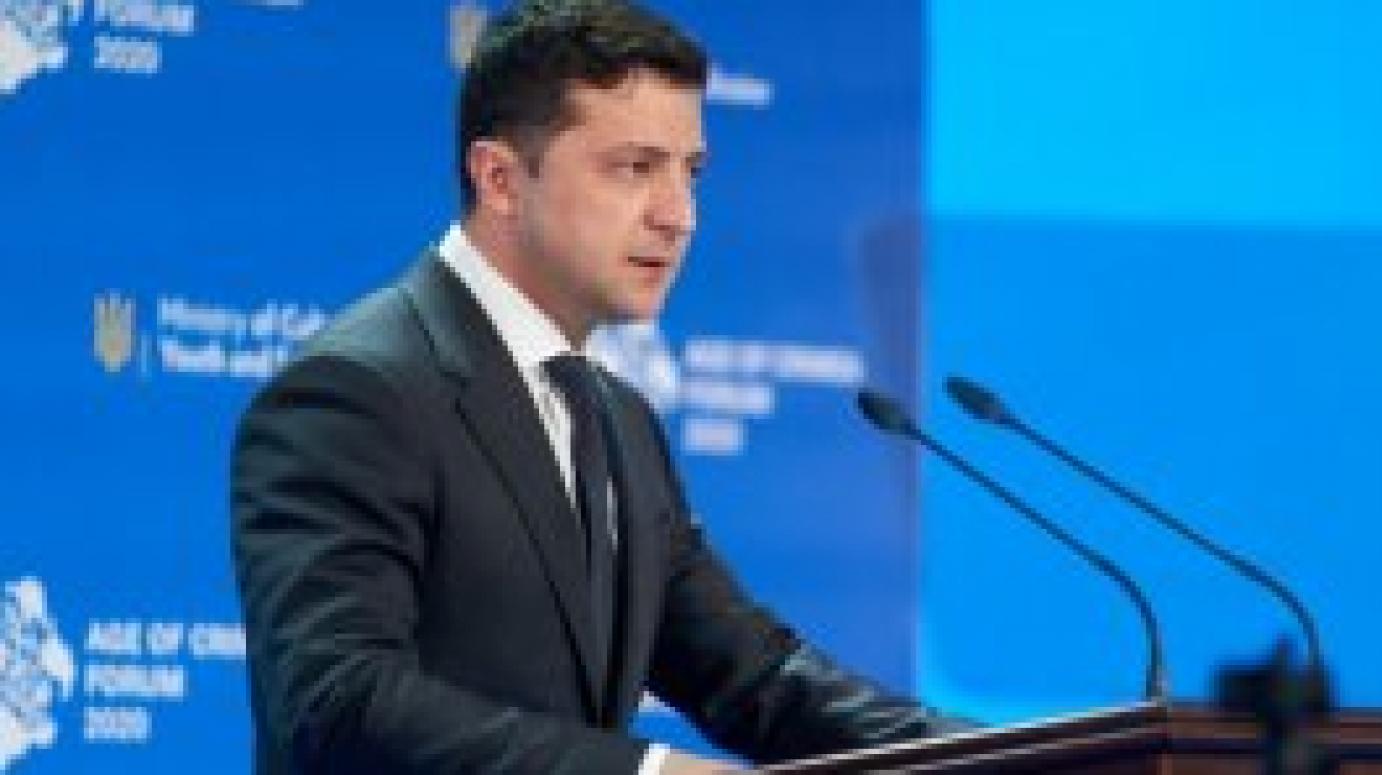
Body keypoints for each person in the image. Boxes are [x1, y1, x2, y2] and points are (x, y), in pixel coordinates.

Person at [229, 1, 971, 773]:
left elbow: (753, 675)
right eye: (635, 168)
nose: (679, 215)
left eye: (690, 171)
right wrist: (647, 772)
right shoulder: (356, 391)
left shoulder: (620, 419)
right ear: (500, 179)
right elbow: (336, 699)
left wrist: (994, 755)